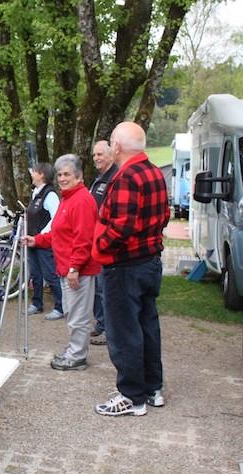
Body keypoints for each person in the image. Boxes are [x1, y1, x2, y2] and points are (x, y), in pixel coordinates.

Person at [93, 122, 170, 417]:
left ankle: (131, 396)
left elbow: (121, 226)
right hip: (149, 262)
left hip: (124, 266)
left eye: (112, 142)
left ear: (117, 146)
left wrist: (99, 248)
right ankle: (152, 388)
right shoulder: (154, 171)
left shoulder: (126, 176)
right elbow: (164, 215)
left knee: (124, 332)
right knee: (147, 326)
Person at [22, 155, 100, 371]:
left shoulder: (82, 200)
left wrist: (75, 268)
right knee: (72, 313)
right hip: (67, 268)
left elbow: (83, 239)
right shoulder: (67, 198)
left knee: (78, 316)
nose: (63, 178)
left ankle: (76, 357)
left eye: (67, 174)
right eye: (60, 174)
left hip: (78, 271)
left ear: (79, 176)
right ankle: (75, 350)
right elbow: (58, 233)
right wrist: (36, 239)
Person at [88, 140, 119, 346]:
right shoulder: (99, 179)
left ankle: (111, 330)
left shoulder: (115, 178)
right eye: (94, 155)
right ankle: (101, 323)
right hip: (94, 242)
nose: (96, 158)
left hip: (107, 244)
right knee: (98, 288)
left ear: (110, 155)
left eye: (100, 154)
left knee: (108, 289)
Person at [25, 162, 64, 320]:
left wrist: (42, 234)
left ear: (41, 174)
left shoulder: (50, 195)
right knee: (35, 274)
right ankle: (37, 303)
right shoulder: (36, 192)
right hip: (32, 240)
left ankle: (61, 306)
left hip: (44, 241)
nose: (32, 174)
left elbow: (56, 218)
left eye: (34, 171)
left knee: (50, 273)